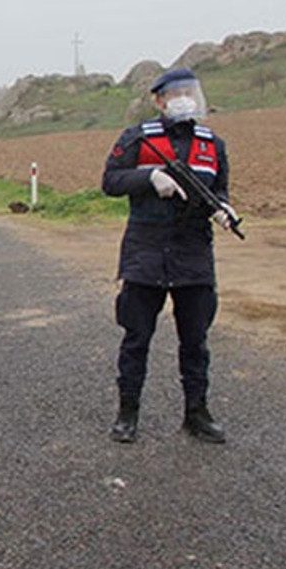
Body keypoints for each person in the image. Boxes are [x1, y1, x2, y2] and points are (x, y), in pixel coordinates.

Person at [100, 67, 239, 444]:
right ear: (159, 100)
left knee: (195, 341)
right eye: (174, 93)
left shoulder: (213, 145)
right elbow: (110, 181)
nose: (183, 98)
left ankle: (197, 413)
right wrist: (150, 178)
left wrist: (223, 210)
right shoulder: (138, 138)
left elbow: (220, 189)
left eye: (189, 92)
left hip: (193, 254)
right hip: (145, 252)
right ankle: (127, 413)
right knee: (136, 337)